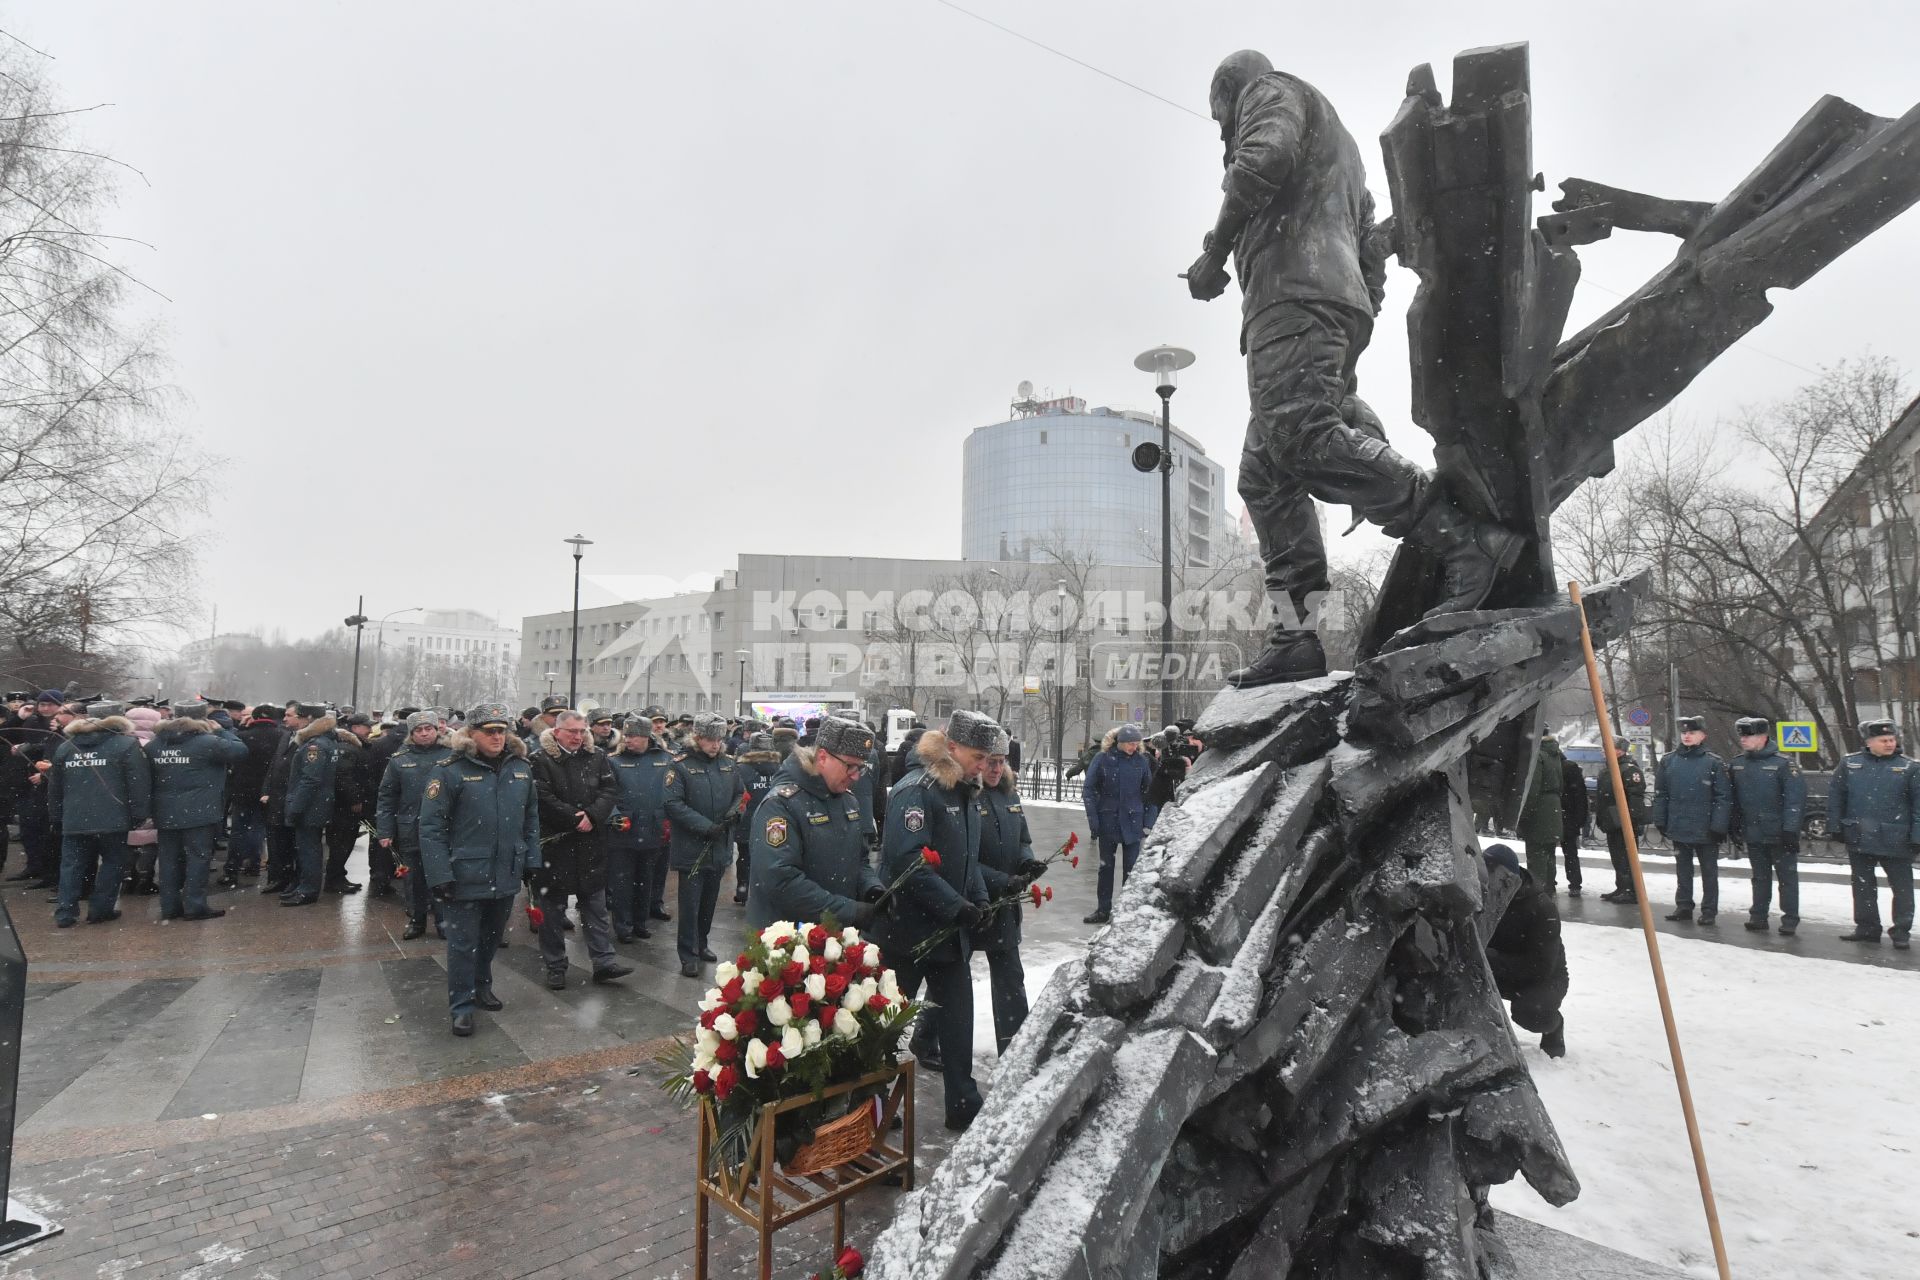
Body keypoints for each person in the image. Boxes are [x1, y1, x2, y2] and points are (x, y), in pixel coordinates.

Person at [1186, 51, 1520, 689]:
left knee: (1301, 439)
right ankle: (1296, 633)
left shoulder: (1270, 91)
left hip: (1294, 302)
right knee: (1265, 475)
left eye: (1220, 119)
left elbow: (1262, 161)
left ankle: (1460, 538)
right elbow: (1370, 253)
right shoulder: (1345, 152)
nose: (1224, 134)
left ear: (1230, 93)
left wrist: (1214, 254)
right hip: (1326, 306)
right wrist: (1354, 314)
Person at [880, 710, 996, 1131]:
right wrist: (956, 905)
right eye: (978, 756)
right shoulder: (917, 790)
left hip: (950, 936)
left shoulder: (965, 791)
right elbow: (906, 861)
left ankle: (963, 1102)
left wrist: (978, 901)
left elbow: (968, 860)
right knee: (887, 1026)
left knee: (958, 1022)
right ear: (952, 748)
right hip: (908, 933)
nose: (984, 765)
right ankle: (874, 1102)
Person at [417, 702, 540, 1036]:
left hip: (506, 870)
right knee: (462, 943)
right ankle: (461, 1004)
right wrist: (440, 873)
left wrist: (532, 860)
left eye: (502, 731)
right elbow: (431, 827)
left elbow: (530, 819)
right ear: (471, 734)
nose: (497, 737)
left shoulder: (520, 768)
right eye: (490, 731)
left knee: (491, 937)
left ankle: (482, 985)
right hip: (464, 873)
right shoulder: (449, 770)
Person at [747, 715, 884, 931]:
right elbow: (781, 881)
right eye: (850, 766)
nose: (856, 776)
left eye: (860, 768)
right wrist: (849, 911)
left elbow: (859, 860)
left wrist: (872, 888)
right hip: (789, 941)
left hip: (833, 935)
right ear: (822, 757)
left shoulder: (848, 801)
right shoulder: (781, 804)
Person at [527, 710, 631, 990]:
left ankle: (604, 962)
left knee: (595, 907)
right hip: (556, 845)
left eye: (582, 731)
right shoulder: (540, 759)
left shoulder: (597, 757)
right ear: (557, 731)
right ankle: (556, 966)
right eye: (572, 731)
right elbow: (542, 797)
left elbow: (610, 791)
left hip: (590, 844)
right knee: (552, 913)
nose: (578, 736)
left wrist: (593, 816)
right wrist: (576, 818)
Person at [974, 729, 1047, 1055]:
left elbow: (1023, 840)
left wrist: (1027, 864)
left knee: (1010, 978)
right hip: (971, 901)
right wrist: (999, 880)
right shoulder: (966, 796)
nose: (995, 769)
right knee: (950, 974)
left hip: (1004, 902)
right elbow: (962, 858)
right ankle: (925, 1038)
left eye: (1001, 763)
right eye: (990, 762)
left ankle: (1016, 1048)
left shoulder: (1009, 795)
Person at [48, 701, 151, 927]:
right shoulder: (126, 745)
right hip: (113, 818)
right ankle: (100, 909)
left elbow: (55, 787)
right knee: (113, 863)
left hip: (74, 818)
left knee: (71, 866)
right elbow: (138, 783)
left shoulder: (67, 747)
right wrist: (138, 814)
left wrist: (56, 816)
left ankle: (66, 912)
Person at [146, 700, 249, 922]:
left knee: (168, 860)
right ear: (203, 719)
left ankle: (170, 906)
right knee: (198, 858)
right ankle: (194, 905)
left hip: (165, 811)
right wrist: (223, 731)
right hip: (200, 811)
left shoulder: (155, 745)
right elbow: (240, 751)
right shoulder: (208, 742)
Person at [663, 711, 746, 976]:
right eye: (710, 739)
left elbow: (740, 794)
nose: (715, 744)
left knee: (709, 901)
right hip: (692, 846)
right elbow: (673, 804)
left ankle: (702, 943)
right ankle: (687, 953)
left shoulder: (728, 764)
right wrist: (705, 826)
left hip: (719, 845)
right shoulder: (681, 765)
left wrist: (734, 813)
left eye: (719, 739)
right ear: (697, 737)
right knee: (689, 904)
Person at [1830, 718, 1920, 950]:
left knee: (1902, 889)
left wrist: (1917, 837)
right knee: (1862, 886)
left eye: (1892, 739)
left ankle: (1900, 931)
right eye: (1884, 740)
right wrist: (1835, 827)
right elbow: (1837, 797)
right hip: (1859, 836)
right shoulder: (1850, 764)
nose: (1890, 743)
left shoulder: (1910, 768)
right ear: (1869, 742)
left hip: (1896, 838)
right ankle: (1867, 928)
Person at [1480, 844, 1568, 1058]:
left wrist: (1492, 959)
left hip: (1543, 977)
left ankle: (1554, 1026)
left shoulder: (1541, 908)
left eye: (1495, 876)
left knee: (1530, 1012)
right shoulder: (1484, 895)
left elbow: (1539, 967)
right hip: (1498, 967)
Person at [374, 711, 453, 940]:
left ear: (436, 730)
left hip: (443, 828)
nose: (424, 733)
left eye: (428, 728)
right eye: (419, 730)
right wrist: (385, 830)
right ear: (412, 733)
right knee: (414, 879)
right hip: (411, 828)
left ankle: (444, 922)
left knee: (442, 878)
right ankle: (417, 920)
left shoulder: (450, 756)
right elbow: (387, 797)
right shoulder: (400, 759)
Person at [1726, 716, 1806, 936]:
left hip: (1779, 832)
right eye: (1742, 736)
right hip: (1753, 831)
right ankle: (1758, 916)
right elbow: (1733, 799)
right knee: (1759, 877)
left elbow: (1794, 800)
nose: (1743, 740)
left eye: (1748, 736)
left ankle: (1790, 919)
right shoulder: (1738, 763)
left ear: (1762, 737)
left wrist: (1791, 829)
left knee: (1787, 879)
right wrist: (1734, 825)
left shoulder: (1784, 764)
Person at [1651, 715, 1731, 924]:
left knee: (1709, 873)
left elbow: (1723, 797)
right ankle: (1684, 905)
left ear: (1702, 735)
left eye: (1692, 732)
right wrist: (1660, 819)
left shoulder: (1713, 762)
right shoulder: (1669, 761)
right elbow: (1661, 793)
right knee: (1683, 870)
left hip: (1706, 828)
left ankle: (1709, 911)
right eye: (1684, 732)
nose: (1687, 736)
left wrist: (1718, 826)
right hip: (1679, 824)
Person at [606, 715, 671, 943]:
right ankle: (623, 926)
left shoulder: (666, 759)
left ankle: (640, 922)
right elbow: (604, 794)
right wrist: (614, 817)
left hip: (654, 829)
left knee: (646, 880)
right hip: (624, 831)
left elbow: (673, 794)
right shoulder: (613, 761)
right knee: (622, 883)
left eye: (633, 735)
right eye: (626, 735)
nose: (628, 740)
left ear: (646, 736)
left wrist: (668, 819)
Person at [1082, 724, 1153, 925]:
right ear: (1119, 743)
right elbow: (1089, 789)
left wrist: (1148, 822)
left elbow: (1151, 793)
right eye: (1130, 744)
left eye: (1136, 744)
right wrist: (1094, 820)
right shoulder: (1103, 759)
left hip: (1133, 823)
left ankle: (1126, 911)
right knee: (1106, 868)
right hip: (1108, 821)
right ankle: (1103, 910)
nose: (1133, 747)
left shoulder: (1141, 761)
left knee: (1131, 869)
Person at [281, 702, 340, 907]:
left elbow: (310, 780)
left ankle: (308, 890)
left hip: (310, 806)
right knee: (309, 849)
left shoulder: (315, 745)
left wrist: (295, 807)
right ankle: (305, 887)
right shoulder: (325, 741)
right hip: (317, 804)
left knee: (309, 850)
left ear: (308, 719)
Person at [221, 703, 282, 888]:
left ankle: (233, 866)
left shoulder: (243, 736)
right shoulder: (282, 737)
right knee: (258, 828)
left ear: (253, 718)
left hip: (242, 788)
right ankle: (254, 863)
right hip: (267, 790)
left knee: (239, 830)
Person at [1595, 737, 1649, 904]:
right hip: (1611, 821)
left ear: (1620, 750)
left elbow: (1635, 797)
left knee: (1627, 857)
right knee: (1617, 856)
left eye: (1607, 748)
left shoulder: (1629, 770)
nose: (1603, 751)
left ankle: (1631, 890)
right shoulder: (1608, 769)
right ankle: (1621, 887)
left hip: (1624, 821)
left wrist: (1632, 820)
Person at [733, 730, 783, 906]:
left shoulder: (740, 768)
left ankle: (743, 889)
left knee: (745, 857)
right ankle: (764, 891)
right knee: (770, 857)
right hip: (774, 820)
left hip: (747, 819)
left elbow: (736, 795)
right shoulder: (779, 768)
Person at [324, 713, 373, 894]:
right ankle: (334, 879)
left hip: (343, 805)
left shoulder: (353, 747)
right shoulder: (348, 748)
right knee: (341, 843)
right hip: (343, 807)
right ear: (354, 728)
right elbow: (343, 777)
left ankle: (338, 876)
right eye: (366, 726)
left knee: (344, 842)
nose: (369, 730)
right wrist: (355, 799)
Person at [1517, 733, 1565, 892]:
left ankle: (1536, 893)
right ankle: (1549, 890)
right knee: (1549, 856)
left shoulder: (1538, 756)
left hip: (1540, 813)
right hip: (1553, 810)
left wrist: (1523, 815)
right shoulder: (1555, 754)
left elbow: (1532, 789)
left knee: (1536, 857)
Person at [1558, 748, 1589, 897]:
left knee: (1547, 852)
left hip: (1559, 815)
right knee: (1571, 853)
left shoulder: (1552, 765)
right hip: (1569, 817)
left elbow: (1579, 795)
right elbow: (1580, 796)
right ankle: (1575, 884)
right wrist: (1581, 819)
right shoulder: (1570, 767)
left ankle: (1550, 882)